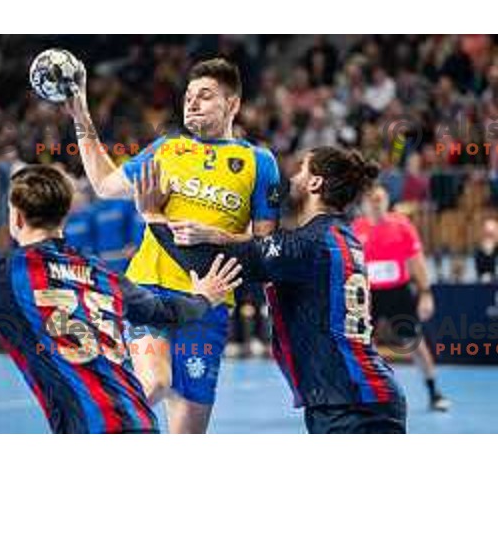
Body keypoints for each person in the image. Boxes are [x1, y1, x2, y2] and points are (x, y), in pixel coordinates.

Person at [0, 165, 242, 434]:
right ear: (64, 216)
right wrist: (204, 297)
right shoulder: (103, 273)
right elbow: (168, 312)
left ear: (16, 216)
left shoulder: (3, 271)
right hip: (142, 424)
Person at [65, 58, 280, 433]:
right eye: (189, 96)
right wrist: (81, 116)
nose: (192, 103)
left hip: (208, 301)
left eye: (205, 96)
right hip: (151, 290)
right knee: (155, 382)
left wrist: (215, 236)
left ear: (233, 105)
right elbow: (105, 185)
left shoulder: (259, 162)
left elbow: (265, 245)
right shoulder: (167, 150)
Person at [137, 148, 407, 434]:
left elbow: (208, 265)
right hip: (358, 395)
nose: (291, 177)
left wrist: (153, 215)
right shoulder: (340, 236)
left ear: (315, 183)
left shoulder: (307, 245)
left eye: (301, 169)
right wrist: (218, 234)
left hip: (350, 403)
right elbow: (264, 247)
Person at [352, 184, 451, 411]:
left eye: (380, 199)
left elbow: (417, 262)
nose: (376, 203)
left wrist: (426, 294)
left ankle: (434, 391)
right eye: (371, 199)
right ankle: (364, 395)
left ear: (386, 201)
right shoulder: (355, 229)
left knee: (414, 342)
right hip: (368, 296)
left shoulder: (402, 226)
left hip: (399, 292)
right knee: (362, 345)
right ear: (364, 204)